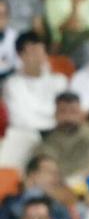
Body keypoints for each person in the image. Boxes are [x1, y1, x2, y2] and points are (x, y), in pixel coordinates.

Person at [1, 33, 68, 170]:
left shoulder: (59, 81)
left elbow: (63, 114)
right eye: (31, 52)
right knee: (16, 137)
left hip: (57, 133)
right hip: (27, 134)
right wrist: (49, 118)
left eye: (39, 50)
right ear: (21, 55)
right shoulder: (12, 84)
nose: (36, 56)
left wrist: (50, 122)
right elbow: (19, 119)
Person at [38, 91, 89, 182]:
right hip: (55, 188)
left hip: (88, 187)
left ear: (82, 113)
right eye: (63, 111)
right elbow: (42, 167)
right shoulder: (48, 141)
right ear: (55, 115)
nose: (68, 117)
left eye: (73, 112)